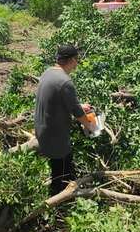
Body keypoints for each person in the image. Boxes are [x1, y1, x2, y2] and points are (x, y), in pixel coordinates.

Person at [34, 45, 96, 196]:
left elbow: (57, 100)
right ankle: (59, 201)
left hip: (43, 129)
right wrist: (91, 126)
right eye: (77, 60)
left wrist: (80, 106)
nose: (77, 64)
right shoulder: (65, 81)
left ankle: (67, 192)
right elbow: (77, 113)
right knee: (61, 172)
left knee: (63, 164)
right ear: (72, 60)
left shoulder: (48, 72)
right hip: (55, 135)